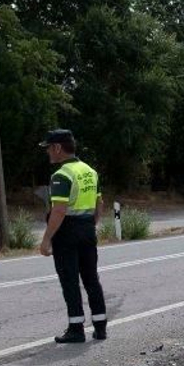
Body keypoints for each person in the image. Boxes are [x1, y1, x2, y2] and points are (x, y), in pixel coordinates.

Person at [37, 129, 107, 343]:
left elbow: (59, 210)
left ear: (58, 148)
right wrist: (90, 225)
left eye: (49, 148)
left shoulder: (61, 175)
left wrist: (46, 238)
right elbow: (100, 204)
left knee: (70, 281)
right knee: (91, 278)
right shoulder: (90, 171)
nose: (48, 152)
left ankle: (76, 329)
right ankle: (100, 327)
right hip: (87, 229)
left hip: (67, 233)